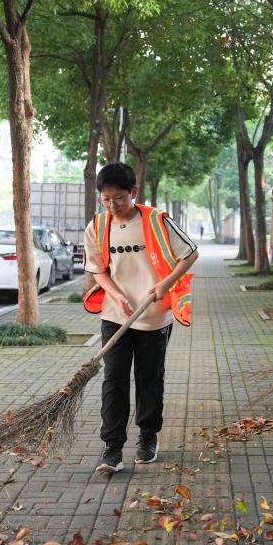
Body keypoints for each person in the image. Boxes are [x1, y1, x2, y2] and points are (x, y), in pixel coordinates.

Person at [84, 163, 199, 473]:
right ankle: (112, 447)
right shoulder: (97, 226)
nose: (112, 205)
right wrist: (116, 294)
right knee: (114, 380)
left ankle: (148, 437)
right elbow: (97, 270)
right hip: (115, 315)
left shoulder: (157, 221)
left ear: (133, 193)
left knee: (149, 379)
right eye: (105, 199)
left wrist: (166, 283)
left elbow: (190, 252)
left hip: (153, 315)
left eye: (119, 198)